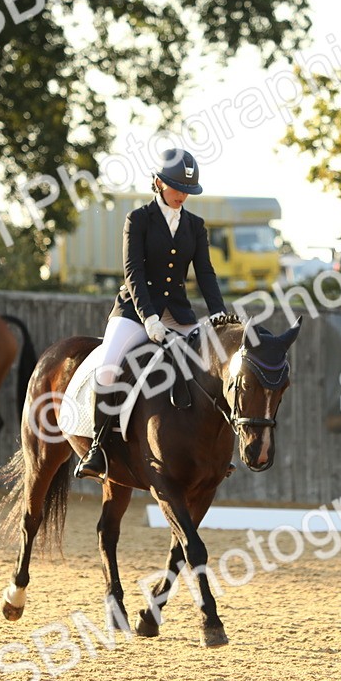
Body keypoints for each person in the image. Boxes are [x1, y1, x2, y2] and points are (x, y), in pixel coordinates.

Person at [75, 149, 229, 481]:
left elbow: (206, 275)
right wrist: (148, 318)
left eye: (188, 189)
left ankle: (215, 451)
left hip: (178, 312)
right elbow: (133, 271)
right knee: (107, 369)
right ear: (158, 182)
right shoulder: (139, 220)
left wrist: (221, 316)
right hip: (134, 311)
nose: (182, 194)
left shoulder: (196, 226)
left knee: (212, 365)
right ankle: (98, 448)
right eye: (176, 187)